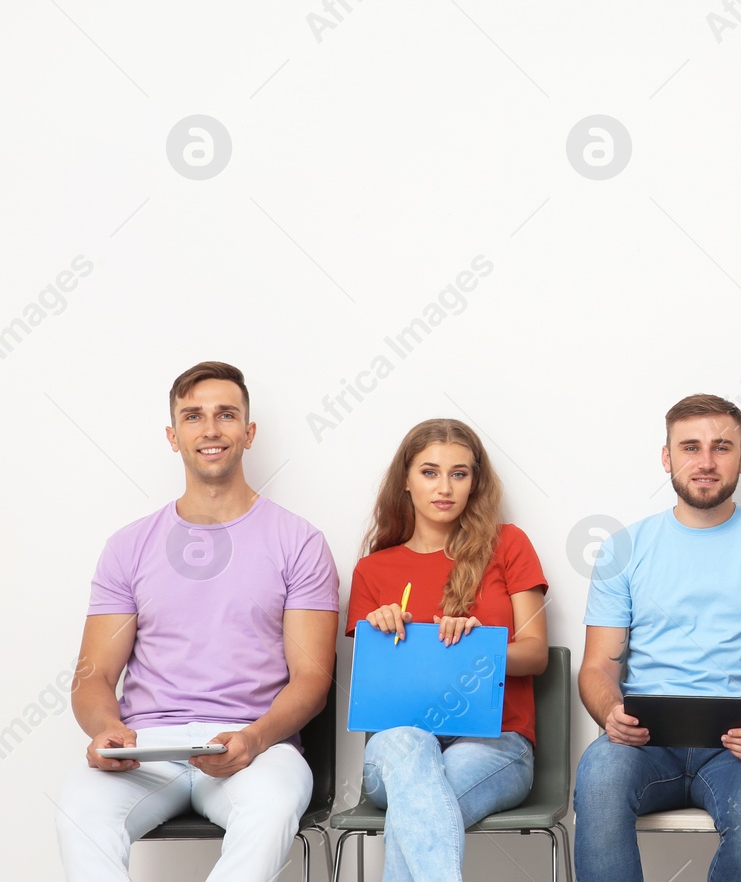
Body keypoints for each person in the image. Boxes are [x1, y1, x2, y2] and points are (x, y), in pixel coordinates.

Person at [58, 361, 340, 882]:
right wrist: (107, 731)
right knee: (79, 808)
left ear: (249, 432)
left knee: (271, 808)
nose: (210, 429)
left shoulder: (299, 542)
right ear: (173, 436)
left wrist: (254, 739)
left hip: (256, 747)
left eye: (226, 415)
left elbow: (312, 681)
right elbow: (92, 675)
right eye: (193, 416)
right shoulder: (129, 546)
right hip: (148, 749)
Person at [573, 394, 741, 882]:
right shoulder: (624, 549)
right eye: (690, 447)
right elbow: (597, 668)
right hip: (643, 743)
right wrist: (610, 714)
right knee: (599, 776)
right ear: (667, 458)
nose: (706, 462)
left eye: (722, 447)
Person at [348, 418, 549, 882]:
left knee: (418, 806)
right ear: (406, 479)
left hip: (495, 742)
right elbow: (374, 687)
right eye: (430, 472)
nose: (445, 487)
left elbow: (535, 654)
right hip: (398, 746)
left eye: (460, 473)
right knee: (410, 747)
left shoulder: (508, 544)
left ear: (475, 482)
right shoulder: (372, 570)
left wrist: (476, 644)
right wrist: (376, 631)